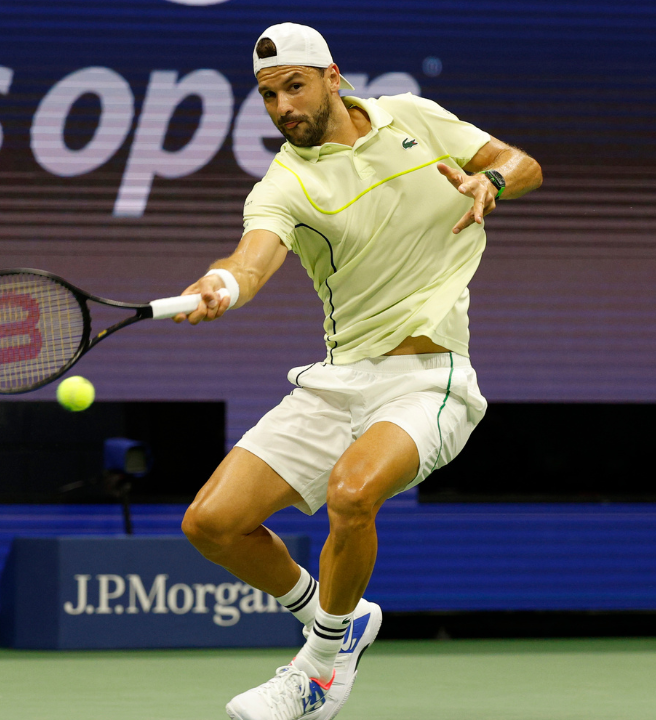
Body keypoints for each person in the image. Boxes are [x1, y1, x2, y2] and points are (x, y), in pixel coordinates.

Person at [175, 23, 542, 720]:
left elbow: (522, 163)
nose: (283, 106)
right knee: (211, 524)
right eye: (268, 95)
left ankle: (316, 672)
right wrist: (222, 283)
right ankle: (337, 616)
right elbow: (251, 260)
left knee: (352, 494)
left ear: (332, 77)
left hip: (430, 380)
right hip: (340, 378)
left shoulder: (413, 117)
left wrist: (491, 179)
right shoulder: (285, 183)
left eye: (294, 86)